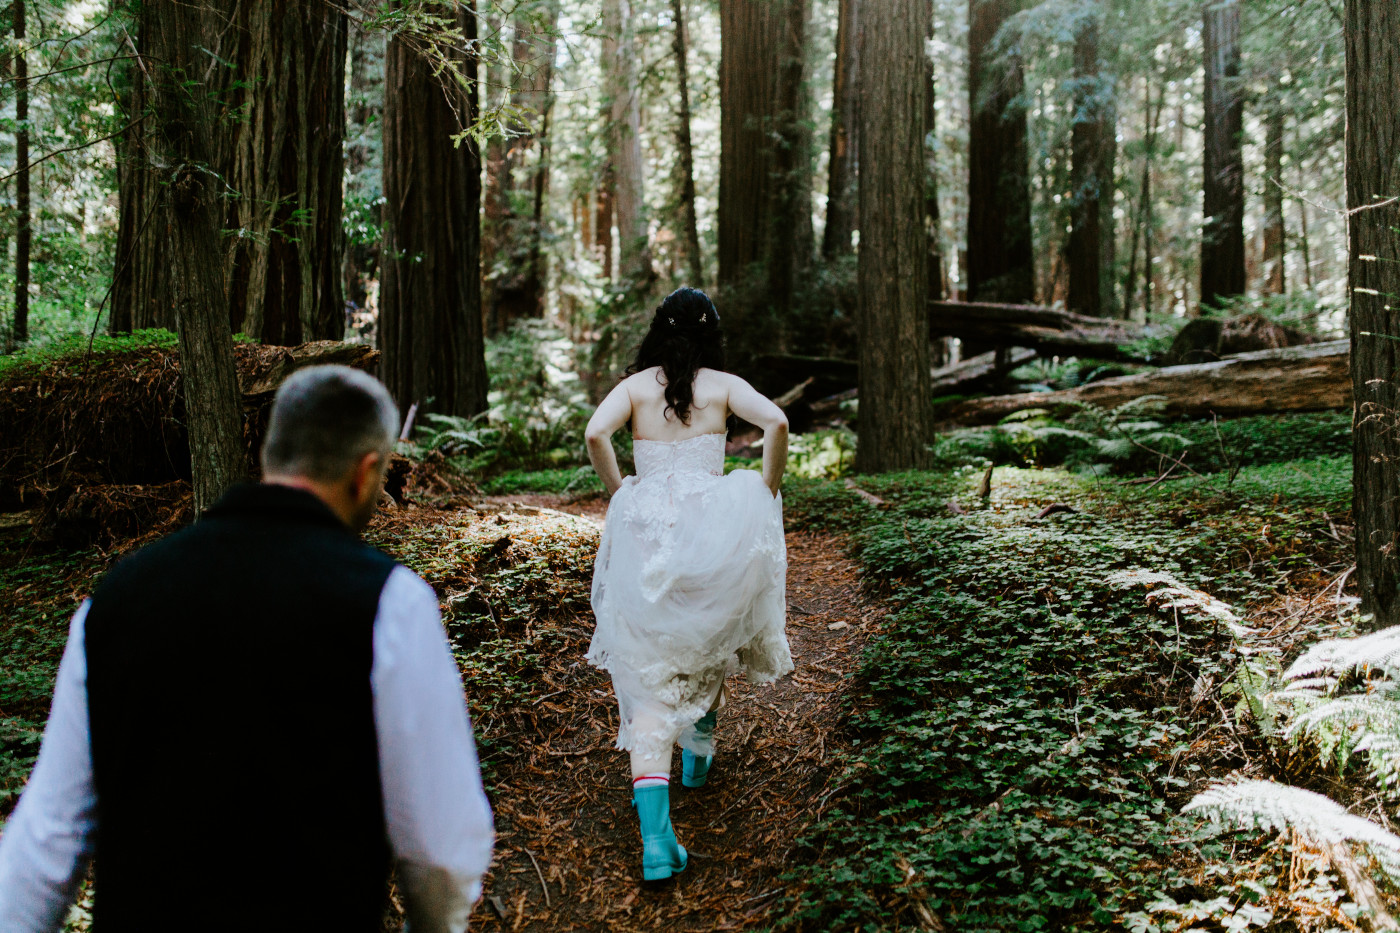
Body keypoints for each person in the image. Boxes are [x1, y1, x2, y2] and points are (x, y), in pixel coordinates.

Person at [0, 366, 494, 932]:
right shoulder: (389, 603)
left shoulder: (116, 599)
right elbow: (441, 845)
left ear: (269, 457)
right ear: (367, 473)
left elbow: (45, 842)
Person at [584, 287, 793, 881]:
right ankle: (698, 758)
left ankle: (656, 841)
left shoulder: (632, 389)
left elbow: (596, 434)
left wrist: (621, 491)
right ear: (710, 335)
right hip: (712, 528)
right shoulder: (723, 384)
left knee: (651, 661)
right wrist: (766, 489)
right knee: (708, 632)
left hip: (648, 532)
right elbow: (776, 421)